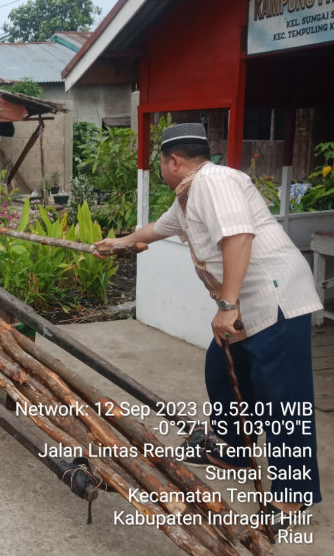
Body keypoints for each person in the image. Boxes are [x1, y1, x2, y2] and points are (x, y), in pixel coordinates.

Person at [94, 123, 322, 526]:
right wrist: (120, 243)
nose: (161, 170)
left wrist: (226, 305)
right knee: (221, 370)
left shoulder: (216, 182)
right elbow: (158, 230)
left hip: (274, 298)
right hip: (245, 304)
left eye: (160, 163)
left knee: (284, 399)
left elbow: (239, 238)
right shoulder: (188, 195)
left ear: (174, 161)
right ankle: (234, 446)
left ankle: (293, 495)